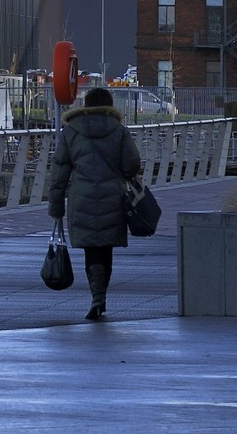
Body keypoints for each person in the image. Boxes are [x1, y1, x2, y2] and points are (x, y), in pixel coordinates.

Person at [47, 86, 142, 321]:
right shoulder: (119, 131)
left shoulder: (71, 132)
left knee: (91, 250)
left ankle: (95, 297)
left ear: (85, 106)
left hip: (82, 197)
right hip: (112, 195)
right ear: (110, 106)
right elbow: (132, 164)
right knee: (105, 248)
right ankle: (101, 299)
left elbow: (59, 173)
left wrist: (56, 206)